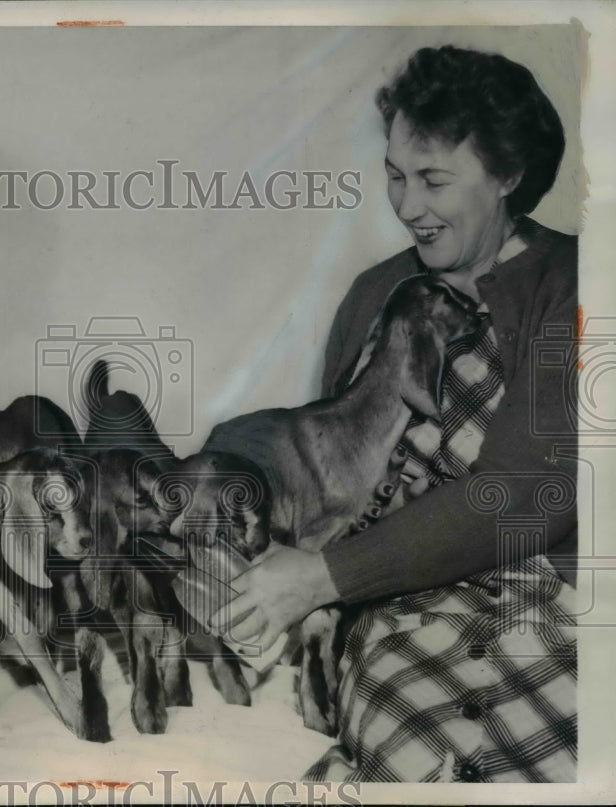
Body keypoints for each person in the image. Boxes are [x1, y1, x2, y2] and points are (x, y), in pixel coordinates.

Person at [210, 45, 578, 782]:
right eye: (396, 176)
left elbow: (531, 491)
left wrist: (323, 577)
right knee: (417, 757)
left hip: (553, 600)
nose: (408, 206)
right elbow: (327, 476)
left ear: (507, 175)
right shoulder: (372, 296)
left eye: (434, 180)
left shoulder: (575, 282)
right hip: (392, 612)